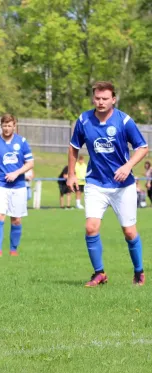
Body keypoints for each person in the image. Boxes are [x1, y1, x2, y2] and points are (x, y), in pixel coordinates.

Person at [67, 81, 147, 287]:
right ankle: (99, 273)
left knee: (129, 232)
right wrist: (71, 174)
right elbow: (73, 147)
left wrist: (128, 166)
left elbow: (142, 147)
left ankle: (139, 272)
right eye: (97, 98)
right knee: (91, 227)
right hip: (95, 183)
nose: (100, 102)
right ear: (93, 98)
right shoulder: (84, 120)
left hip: (123, 185)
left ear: (113, 99)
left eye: (105, 99)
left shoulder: (124, 121)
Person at [0, 113, 34, 257]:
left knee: (16, 219)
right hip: (0, 185)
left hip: (18, 186)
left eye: (9, 125)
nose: (6, 128)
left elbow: (30, 163)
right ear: (1, 126)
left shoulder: (22, 142)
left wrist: (16, 173)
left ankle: (13, 250)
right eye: (4, 125)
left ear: (14, 126)